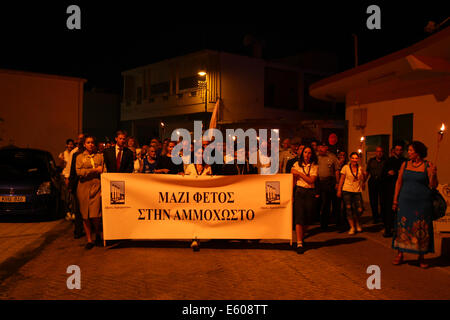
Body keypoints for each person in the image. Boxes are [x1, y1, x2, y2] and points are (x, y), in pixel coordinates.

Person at [391, 141, 437, 268]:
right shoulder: (404, 164)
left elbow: (433, 186)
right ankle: (400, 254)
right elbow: (398, 183)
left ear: (418, 153)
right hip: (405, 202)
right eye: (409, 150)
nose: (408, 153)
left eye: (411, 150)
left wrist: (433, 174)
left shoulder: (428, 165)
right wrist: (395, 200)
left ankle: (421, 256)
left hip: (422, 204)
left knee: (421, 229)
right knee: (402, 227)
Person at [76, 135, 104, 249]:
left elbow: (103, 171)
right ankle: (89, 239)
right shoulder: (79, 157)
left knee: (95, 214)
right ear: (84, 144)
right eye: (88, 142)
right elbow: (79, 172)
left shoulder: (100, 156)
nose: (90, 144)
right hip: (83, 187)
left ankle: (97, 233)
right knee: (85, 215)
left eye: (92, 142)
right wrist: (93, 170)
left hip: (96, 186)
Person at [183, 147, 212, 251]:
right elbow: (185, 181)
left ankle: (197, 238)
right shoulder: (190, 167)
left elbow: (211, 182)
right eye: (199, 153)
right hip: (192, 197)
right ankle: (194, 239)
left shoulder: (208, 167)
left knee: (200, 219)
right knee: (193, 218)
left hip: (204, 198)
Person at [291, 146, 319, 254]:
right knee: (299, 217)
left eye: (309, 153)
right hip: (299, 192)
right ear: (302, 153)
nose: (307, 154)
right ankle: (299, 243)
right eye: (305, 152)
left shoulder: (314, 166)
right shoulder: (296, 164)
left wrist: (299, 174)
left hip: (310, 192)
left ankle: (301, 236)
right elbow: (293, 180)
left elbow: (311, 180)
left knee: (309, 217)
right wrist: (291, 194)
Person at [381, 142, 406, 237]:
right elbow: (384, 174)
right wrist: (389, 173)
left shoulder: (404, 161)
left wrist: (396, 172)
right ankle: (388, 229)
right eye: (397, 150)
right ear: (394, 150)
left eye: (400, 150)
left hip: (402, 189)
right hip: (390, 189)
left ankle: (399, 229)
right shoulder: (389, 161)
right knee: (389, 209)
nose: (399, 151)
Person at [337, 152, 365, 235]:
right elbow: (342, 179)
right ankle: (352, 227)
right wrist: (339, 190)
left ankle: (357, 223)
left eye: (356, 158)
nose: (354, 160)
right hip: (347, 190)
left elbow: (363, 180)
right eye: (353, 158)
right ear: (350, 158)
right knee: (349, 209)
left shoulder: (360, 168)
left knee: (359, 209)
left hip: (357, 190)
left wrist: (363, 175)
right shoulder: (345, 167)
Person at [317, 141, 340, 231]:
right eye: (320, 147)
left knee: (334, 204)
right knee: (324, 204)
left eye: (323, 147)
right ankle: (324, 224)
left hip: (330, 182)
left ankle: (337, 222)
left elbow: (337, 171)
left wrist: (337, 183)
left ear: (326, 148)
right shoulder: (316, 157)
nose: (321, 149)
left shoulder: (332, 157)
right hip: (319, 183)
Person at [68, 134, 86, 238]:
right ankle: (78, 230)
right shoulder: (75, 155)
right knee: (78, 209)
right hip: (77, 184)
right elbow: (72, 171)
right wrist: (71, 186)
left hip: (86, 183)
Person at [365, 147, 387, 224]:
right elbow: (367, 171)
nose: (379, 153)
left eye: (381, 151)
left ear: (383, 152)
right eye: (378, 151)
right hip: (373, 181)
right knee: (373, 200)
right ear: (375, 152)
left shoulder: (386, 161)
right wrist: (364, 181)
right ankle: (375, 217)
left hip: (382, 182)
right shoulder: (371, 160)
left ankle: (383, 216)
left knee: (382, 201)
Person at [59, 139, 75, 220]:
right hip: (64, 175)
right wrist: (61, 160)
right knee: (66, 195)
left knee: (72, 195)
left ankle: (72, 212)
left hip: (71, 176)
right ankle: (67, 212)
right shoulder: (63, 154)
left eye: (72, 144)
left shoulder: (74, 153)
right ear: (66, 145)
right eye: (69, 144)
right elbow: (61, 166)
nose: (70, 146)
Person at [335, 151, 349, 231]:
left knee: (346, 205)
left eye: (344, 155)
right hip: (338, 185)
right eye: (341, 155)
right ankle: (338, 222)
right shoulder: (336, 163)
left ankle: (345, 222)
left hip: (346, 186)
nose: (342, 156)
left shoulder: (347, 165)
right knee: (337, 205)